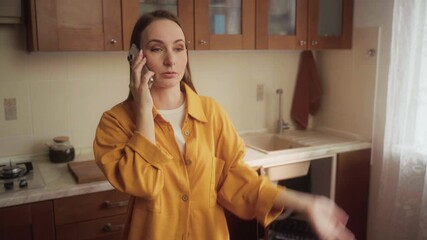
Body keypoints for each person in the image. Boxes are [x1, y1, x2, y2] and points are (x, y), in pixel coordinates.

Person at [93, 10, 355, 240]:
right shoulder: (115, 122)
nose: (171, 60)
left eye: (179, 47)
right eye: (157, 48)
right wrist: (142, 106)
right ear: (135, 57)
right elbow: (144, 184)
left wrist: (306, 203)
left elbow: (240, 183)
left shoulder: (211, 113)